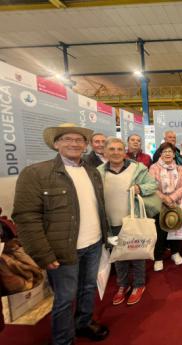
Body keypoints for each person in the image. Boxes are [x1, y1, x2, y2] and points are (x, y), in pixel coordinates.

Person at [12, 123, 109, 345]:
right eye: (67, 139)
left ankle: (84, 323)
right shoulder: (36, 173)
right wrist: (42, 254)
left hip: (93, 244)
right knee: (65, 298)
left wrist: (104, 239)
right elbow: (26, 217)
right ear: (56, 144)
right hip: (62, 250)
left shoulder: (92, 172)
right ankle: (63, 340)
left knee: (88, 287)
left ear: (85, 145)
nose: (74, 143)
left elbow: (97, 207)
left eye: (79, 140)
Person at [98, 137, 158, 305]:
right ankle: (122, 285)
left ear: (124, 151)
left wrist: (141, 188)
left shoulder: (137, 168)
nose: (116, 153)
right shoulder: (98, 172)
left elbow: (153, 184)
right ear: (105, 152)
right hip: (111, 223)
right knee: (117, 256)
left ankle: (139, 284)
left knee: (137, 253)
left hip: (133, 219)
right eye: (112, 149)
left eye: (119, 149)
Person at [149, 142, 182, 271]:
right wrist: (165, 199)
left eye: (170, 152)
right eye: (164, 151)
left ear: (174, 154)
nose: (167, 154)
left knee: (175, 230)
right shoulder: (154, 168)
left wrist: (171, 198)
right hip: (159, 204)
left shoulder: (180, 168)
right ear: (160, 153)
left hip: (176, 203)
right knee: (160, 233)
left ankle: (175, 253)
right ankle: (158, 257)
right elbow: (152, 187)